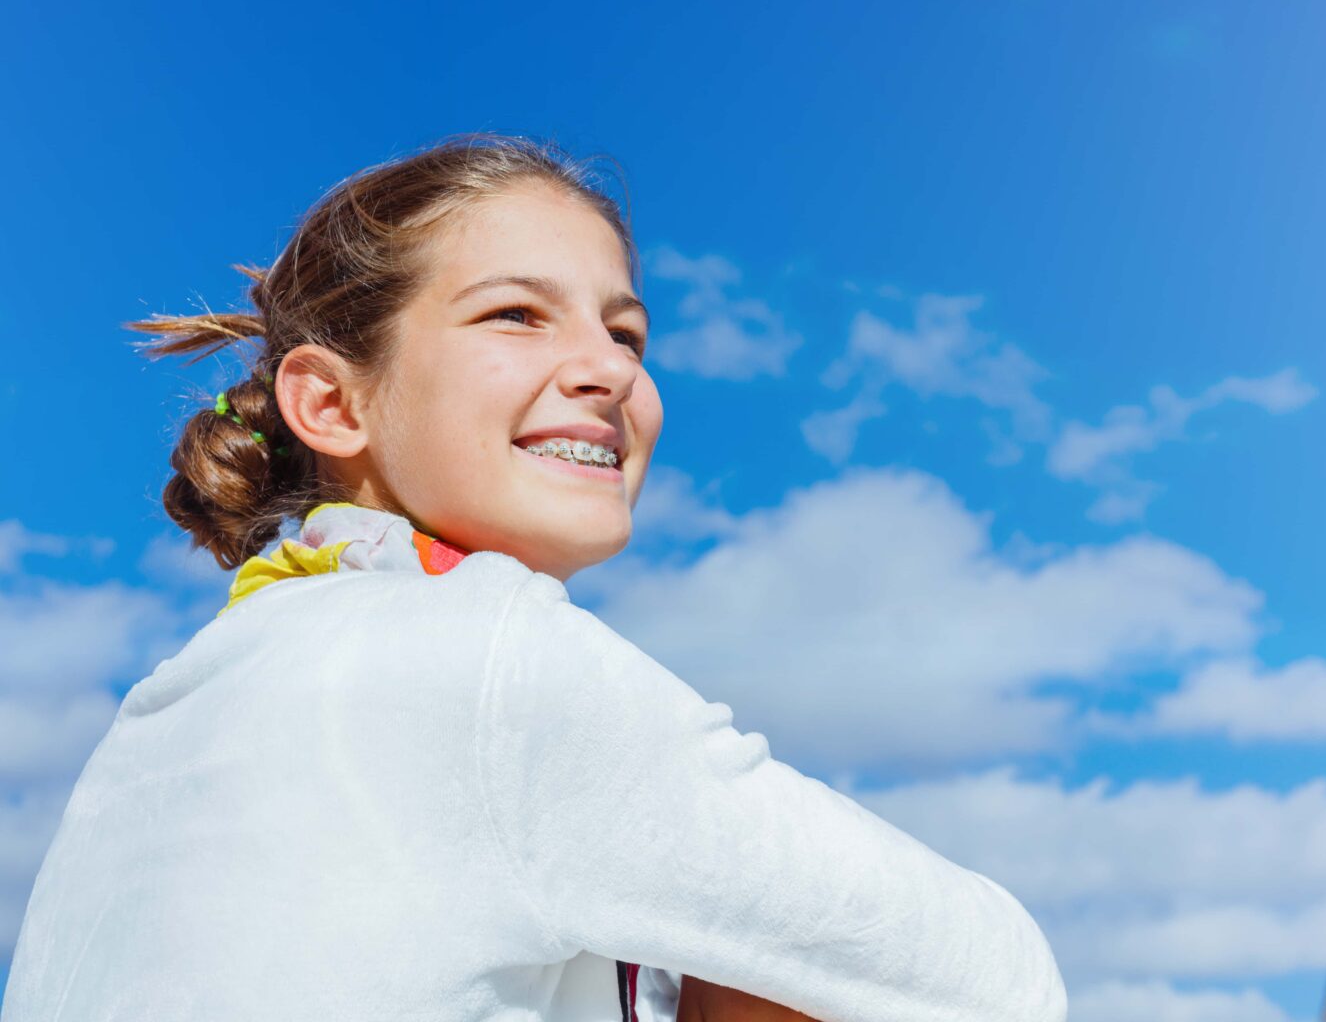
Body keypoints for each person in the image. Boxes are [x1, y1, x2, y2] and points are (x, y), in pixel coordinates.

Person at [0, 134, 1067, 1022]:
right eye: (515, 313)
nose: (610, 367)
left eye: (627, 329)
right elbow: (999, 982)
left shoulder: (170, 706)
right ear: (330, 403)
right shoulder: (490, 653)